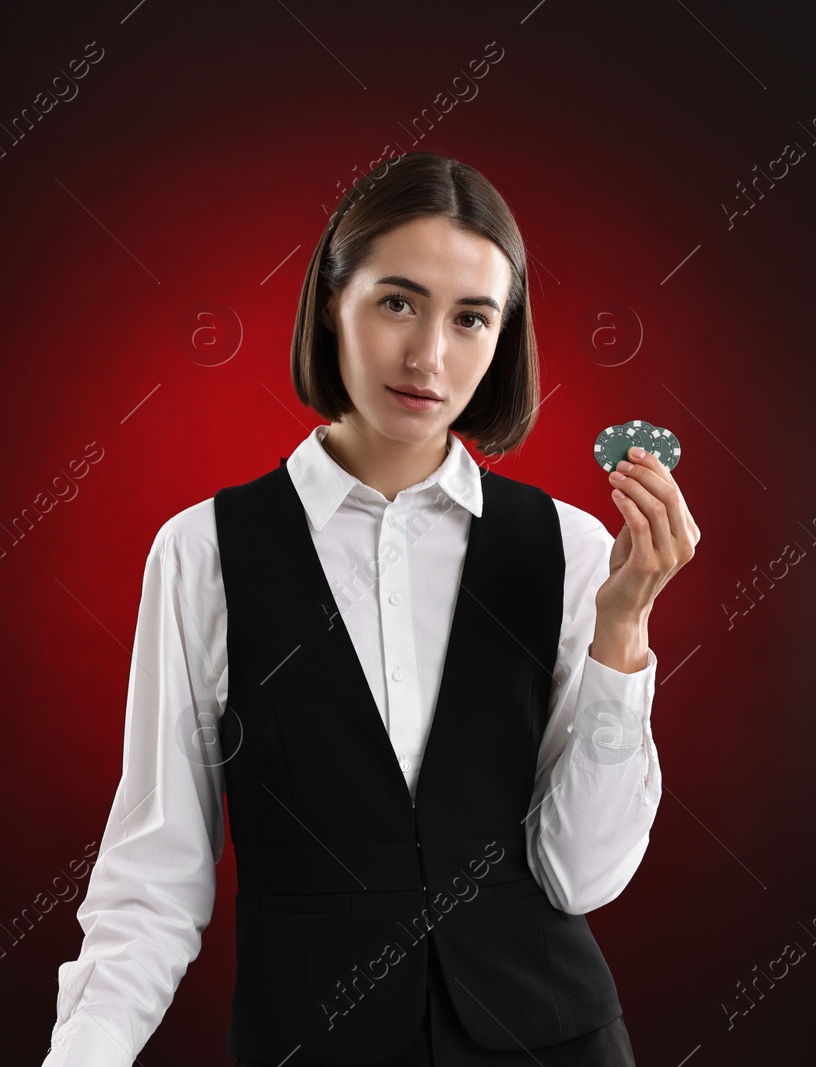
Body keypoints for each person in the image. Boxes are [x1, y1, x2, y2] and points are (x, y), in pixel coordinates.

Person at [41, 151, 699, 1067]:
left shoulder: (577, 551)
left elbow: (578, 872)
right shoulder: (202, 553)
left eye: (472, 318)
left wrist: (623, 634)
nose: (429, 355)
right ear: (329, 303)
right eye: (398, 301)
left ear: (502, 338)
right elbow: (154, 878)